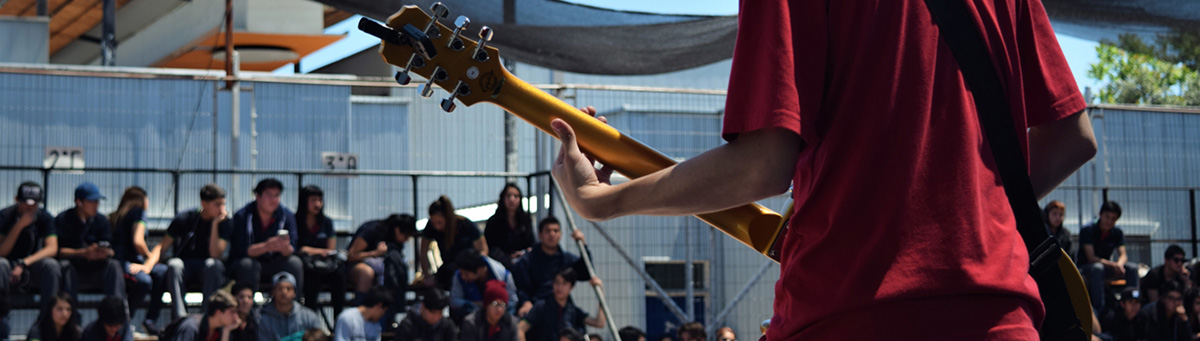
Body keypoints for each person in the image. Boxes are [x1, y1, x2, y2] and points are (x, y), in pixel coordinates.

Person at [549, 0, 1098, 338]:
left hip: (851, 314)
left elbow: (763, 165)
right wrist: (960, 211)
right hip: (1004, 317)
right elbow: (1072, 139)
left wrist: (607, 200)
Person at [147, 183, 230, 332]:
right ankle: (181, 317)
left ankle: (206, 317)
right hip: (185, 265)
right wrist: (147, 266)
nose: (221, 209)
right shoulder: (185, 218)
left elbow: (215, 254)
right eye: (217, 204)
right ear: (204, 203)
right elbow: (162, 246)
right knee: (174, 264)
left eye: (223, 204)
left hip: (206, 267)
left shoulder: (224, 222)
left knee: (215, 265)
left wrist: (215, 225)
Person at [0, 181, 63, 335]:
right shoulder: (5, 216)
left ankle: (46, 323)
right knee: (0, 264)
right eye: (26, 203)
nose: (30, 208)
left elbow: (52, 248)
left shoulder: (44, 217)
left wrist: (24, 263)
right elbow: (1, 251)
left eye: (34, 204)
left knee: (52, 266)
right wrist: (19, 226)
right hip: (8, 266)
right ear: (17, 200)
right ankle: (1, 321)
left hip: (30, 266)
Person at [229, 178, 302, 294]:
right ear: (258, 196)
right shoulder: (243, 215)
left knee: (294, 263)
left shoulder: (286, 216)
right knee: (246, 265)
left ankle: (293, 308)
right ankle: (247, 309)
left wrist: (285, 247)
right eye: (269, 195)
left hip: (276, 262)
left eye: (277, 196)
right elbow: (239, 250)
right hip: (251, 263)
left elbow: (293, 248)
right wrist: (266, 246)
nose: (273, 200)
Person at [512, 217, 593, 317]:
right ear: (540, 234)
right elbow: (521, 286)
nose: (552, 234)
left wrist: (583, 245)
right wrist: (526, 302)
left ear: (561, 234)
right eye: (548, 231)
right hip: (536, 307)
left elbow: (586, 273)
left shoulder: (566, 259)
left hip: (561, 308)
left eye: (556, 231)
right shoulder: (528, 260)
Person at [56, 182, 125, 299]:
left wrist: (104, 252)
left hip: (97, 269)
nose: (96, 205)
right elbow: (58, 251)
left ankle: (117, 312)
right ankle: (69, 313)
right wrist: (84, 253)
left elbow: (112, 248)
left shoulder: (102, 220)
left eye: (97, 201)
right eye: (92, 201)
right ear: (79, 202)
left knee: (114, 265)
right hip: (74, 270)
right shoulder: (64, 219)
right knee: (65, 266)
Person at [108, 186, 168, 317]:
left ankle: (149, 320)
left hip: (120, 262)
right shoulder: (139, 213)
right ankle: (124, 319)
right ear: (144, 201)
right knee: (145, 281)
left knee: (161, 271)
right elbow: (138, 242)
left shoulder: (114, 216)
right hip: (124, 264)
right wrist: (149, 256)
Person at [1080, 201, 1141, 314]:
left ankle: (1131, 303)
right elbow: (1091, 257)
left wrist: (1119, 265)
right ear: (1100, 214)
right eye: (1107, 217)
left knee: (1133, 268)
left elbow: (1123, 254)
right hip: (1086, 268)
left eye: (1113, 218)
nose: (1109, 221)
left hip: (1107, 267)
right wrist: (1113, 265)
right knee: (1097, 268)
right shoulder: (1087, 230)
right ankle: (1099, 310)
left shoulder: (1117, 232)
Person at [295, 185, 347, 318]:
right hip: (307, 267)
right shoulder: (295, 221)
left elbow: (330, 248)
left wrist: (310, 250)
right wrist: (315, 251)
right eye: (313, 200)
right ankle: (310, 321)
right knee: (311, 280)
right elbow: (297, 248)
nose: (317, 204)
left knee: (339, 276)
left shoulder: (327, 222)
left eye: (320, 200)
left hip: (324, 264)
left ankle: (338, 317)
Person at [347, 214, 417, 310]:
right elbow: (351, 255)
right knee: (367, 273)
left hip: (381, 275)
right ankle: (360, 311)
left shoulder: (396, 241)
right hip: (354, 266)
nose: (406, 240)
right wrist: (374, 253)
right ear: (397, 230)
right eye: (406, 236)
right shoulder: (373, 229)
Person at [418, 195, 487, 290]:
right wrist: (427, 275)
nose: (437, 226)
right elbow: (423, 252)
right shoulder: (430, 227)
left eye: (440, 222)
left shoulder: (464, 224)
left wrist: (477, 270)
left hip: (468, 267)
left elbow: (483, 249)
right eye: (434, 223)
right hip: (448, 268)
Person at [518, 268, 606, 341]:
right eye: (557, 282)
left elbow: (599, 323)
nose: (559, 287)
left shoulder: (573, 311)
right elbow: (520, 329)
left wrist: (600, 293)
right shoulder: (541, 307)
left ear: (571, 287)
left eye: (564, 283)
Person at [449, 248, 517, 322]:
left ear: (479, 270)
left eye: (466, 274)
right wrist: (472, 304)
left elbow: (512, 301)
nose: (463, 277)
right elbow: (454, 300)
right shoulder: (459, 275)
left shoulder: (503, 275)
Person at [258, 272, 325, 340]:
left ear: (294, 293)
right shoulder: (262, 320)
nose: (284, 292)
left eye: (288, 288)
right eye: (280, 288)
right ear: (273, 292)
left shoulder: (310, 317)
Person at [485, 184, 535, 269]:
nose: (512, 199)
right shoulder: (494, 221)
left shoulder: (525, 219)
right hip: (501, 263)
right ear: (503, 198)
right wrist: (508, 257)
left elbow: (531, 242)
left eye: (516, 196)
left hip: (523, 260)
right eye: (508, 196)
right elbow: (490, 247)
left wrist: (524, 253)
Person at [170, 290, 242, 341]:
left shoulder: (221, 330)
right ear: (218, 312)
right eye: (232, 312)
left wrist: (226, 331)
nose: (236, 316)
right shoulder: (191, 327)